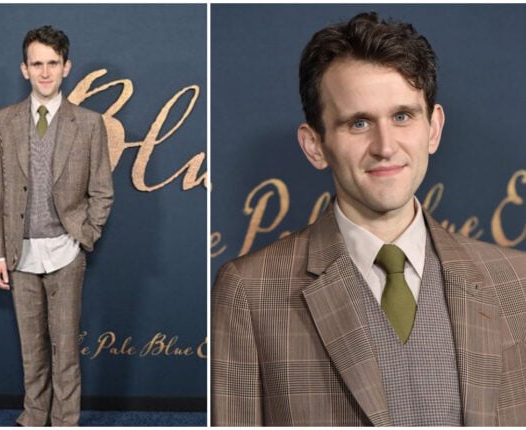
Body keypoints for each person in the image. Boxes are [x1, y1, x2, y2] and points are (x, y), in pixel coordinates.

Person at [211, 12, 526, 426]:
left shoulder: (516, 281)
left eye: (402, 117)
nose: (385, 146)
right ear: (315, 145)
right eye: (358, 123)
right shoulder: (249, 293)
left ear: (433, 128)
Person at [0, 25, 113, 426]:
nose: (45, 72)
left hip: (66, 251)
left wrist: (84, 236)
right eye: (37, 64)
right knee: (31, 349)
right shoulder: (4, 122)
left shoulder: (89, 124)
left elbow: (102, 192)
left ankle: (65, 421)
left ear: (66, 67)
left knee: (64, 349)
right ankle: (35, 415)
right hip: (18, 252)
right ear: (24, 69)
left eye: (52, 63)